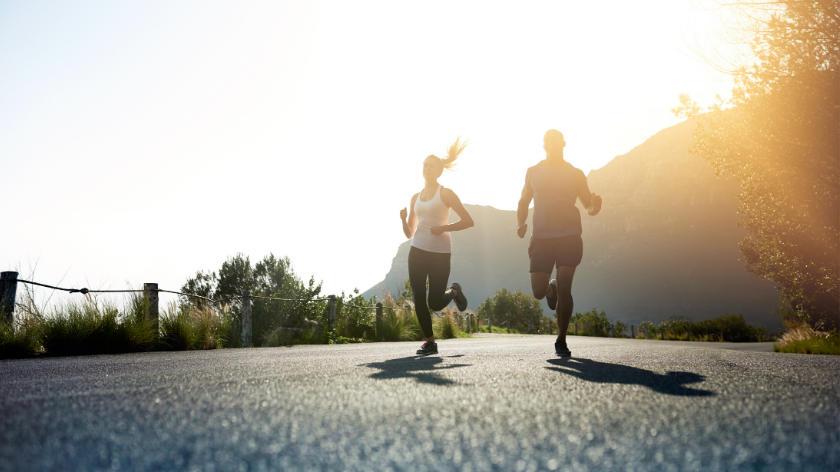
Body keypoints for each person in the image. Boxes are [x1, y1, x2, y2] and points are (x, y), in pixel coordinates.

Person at [516, 129, 602, 357]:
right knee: (537, 292)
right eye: (547, 141)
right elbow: (524, 200)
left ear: (564, 143)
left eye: (555, 140)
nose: (551, 144)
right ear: (543, 146)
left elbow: (588, 206)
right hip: (541, 237)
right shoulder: (533, 172)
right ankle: (549, 290)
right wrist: (521, 223)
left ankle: (561, 340)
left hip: (569, 235)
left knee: (566, 287)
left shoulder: (576, 174)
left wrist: (595, 206)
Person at [400, 138, 474, 356]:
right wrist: (404, 220)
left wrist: (444, 228)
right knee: (418, 296)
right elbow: (409, 233)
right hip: (417, 250)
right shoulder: (415, 197)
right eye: (424, 165)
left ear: (439, 171)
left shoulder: (446, 193)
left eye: (431, 166)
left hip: (440, 253)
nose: (426, 169)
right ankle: (430, 342)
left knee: (434, 302)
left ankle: (453, 291)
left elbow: (468, 221)